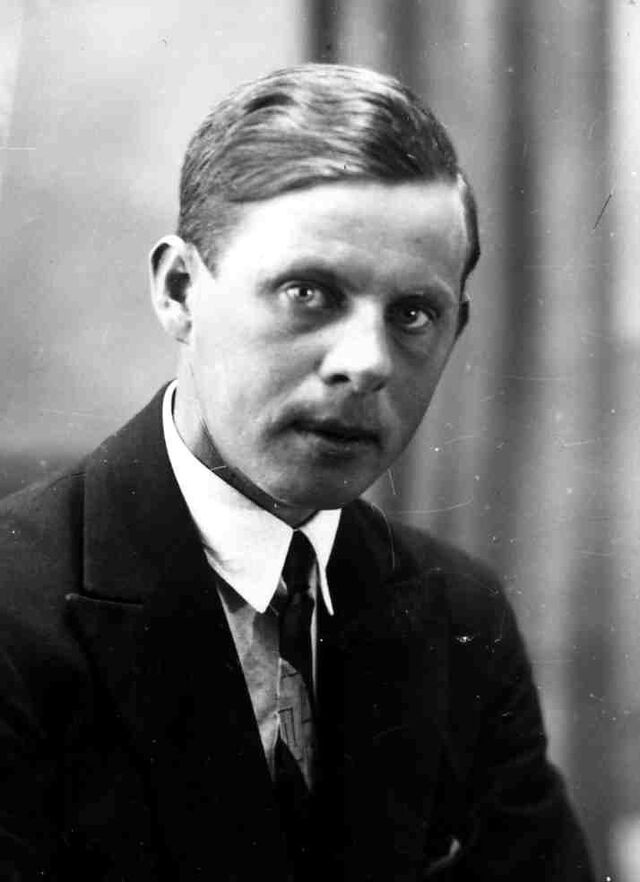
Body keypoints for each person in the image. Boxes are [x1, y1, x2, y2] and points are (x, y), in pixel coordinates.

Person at [0, 63, 593, 881]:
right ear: (180, 291)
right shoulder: (15, 613)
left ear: (456, 331)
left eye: (413, 314)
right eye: (309, 293)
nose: (367, 363)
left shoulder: (461, 613)